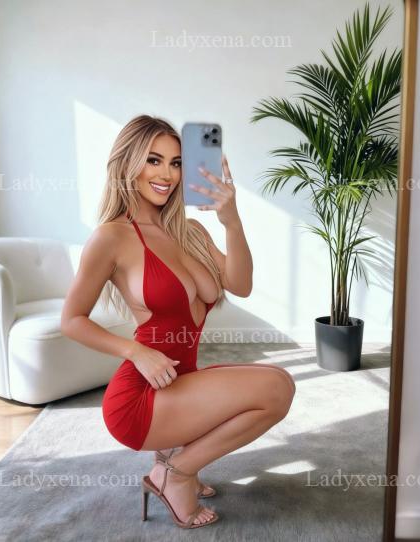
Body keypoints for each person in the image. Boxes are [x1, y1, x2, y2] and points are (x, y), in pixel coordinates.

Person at [60, 114, 296, 530]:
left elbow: (241, 285)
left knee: (275, 383)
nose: (166, 174)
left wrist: (231, 220)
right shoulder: (112, 237)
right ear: (128, 164)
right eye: (153, 160)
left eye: (176, 162)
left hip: (181, 382)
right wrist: (136, 351)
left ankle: (174, 459)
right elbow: (72, 320)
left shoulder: (191, 231)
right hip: (140, 398)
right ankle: (176, 473)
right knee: (275, 388)